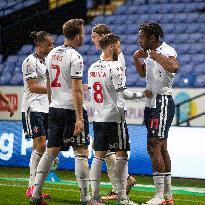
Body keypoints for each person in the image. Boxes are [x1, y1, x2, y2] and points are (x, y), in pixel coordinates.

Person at [30, 19, 91, 205]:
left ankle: (35, 195)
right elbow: (77, 89)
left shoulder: (52, 54)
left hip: (55, 108)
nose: (84, 36)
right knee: (81, 152)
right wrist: (79, 117)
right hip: (71, 110)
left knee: (50, 151)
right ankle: (85, 198)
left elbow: (48, 83)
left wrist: (51, 103)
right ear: (77, 35)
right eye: (82, 32)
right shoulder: (76, 57)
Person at [88, 33, 152, 205]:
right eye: (118, 45)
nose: (120, 48)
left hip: (98, 116)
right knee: (121, 154)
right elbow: (123, 93)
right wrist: (142, 94)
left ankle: (94, 197)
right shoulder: (114, 67)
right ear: (110, 46)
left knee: (98, 156)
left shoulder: (92, 67)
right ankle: (122, 197)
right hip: (115, 118)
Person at [133, 23, 179, 205]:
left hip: (162, 102)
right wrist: (138, 60)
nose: (139, 40)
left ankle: (159, 196)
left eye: (141, 36)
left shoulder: (167, 50)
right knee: (161, 147)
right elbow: (144, 73)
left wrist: (155, 55)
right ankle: (167, 196)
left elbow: (174, 67)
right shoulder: (149, 54)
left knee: (153, 146)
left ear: (152, 37)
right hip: (151, 103)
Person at [91, 23, 136, 200]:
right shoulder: (103, 58)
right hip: (104, 111)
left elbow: (118, 87)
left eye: (94, 36)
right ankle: (122, 183)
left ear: (103, 37)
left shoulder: (116, 58)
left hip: (113, 110)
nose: (92, 40)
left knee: (113, 152)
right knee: (108, 152)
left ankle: (119, 189)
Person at [21, 31, 54, 200]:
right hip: (32, 107)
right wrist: (53, 90)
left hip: (46, 108)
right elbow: (33, 87)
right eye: (49, 44)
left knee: (41, 147)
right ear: (40, 45)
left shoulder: (47, 61)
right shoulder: (30, 61)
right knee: (40, 146)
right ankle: (31, 186)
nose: (52, 47)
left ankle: (35, 189)